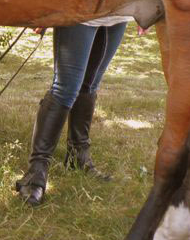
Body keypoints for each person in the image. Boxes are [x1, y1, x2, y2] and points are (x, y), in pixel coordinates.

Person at [15, 16, 130, 206]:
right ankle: (36, 173)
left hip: (119, 11)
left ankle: (78, 158)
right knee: (65, 89)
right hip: (81, 7)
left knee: (90, 85)